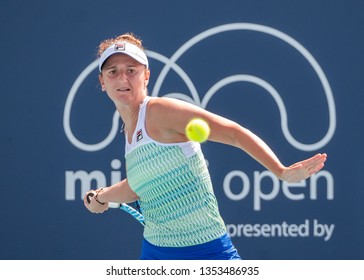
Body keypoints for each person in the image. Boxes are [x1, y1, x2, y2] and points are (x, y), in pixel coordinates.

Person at [83, 33, 327, 260]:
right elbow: (138, 185)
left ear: (146, 76)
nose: (122, 78)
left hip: (208, 251)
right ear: (102, 81)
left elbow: (234, 134)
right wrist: (101, 196)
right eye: (113, 72)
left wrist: (280, 171)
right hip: (155, 252)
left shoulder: (160, 112)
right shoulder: (128, 130)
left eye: (131, 70)